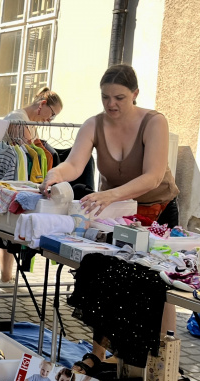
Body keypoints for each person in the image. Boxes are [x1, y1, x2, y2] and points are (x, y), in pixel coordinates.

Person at [41, 64, 180, 355]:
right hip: (118, 212)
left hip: (158, 210)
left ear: (135, 94)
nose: (111, 104)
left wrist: (108, 195)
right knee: (108, 280)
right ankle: (99, 355)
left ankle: (167, 359)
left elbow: (153, 176)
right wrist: (55, 174)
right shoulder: (94, 124)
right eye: (105, 97)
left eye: (119, 97)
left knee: (160, 288)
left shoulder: (154, 122)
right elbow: (75, 165)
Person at [0, 88, 63, 284]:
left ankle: (3, 277)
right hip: (5, 179)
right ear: (42, 105)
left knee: (6, 230)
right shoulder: (18, 118)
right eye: (52, 114)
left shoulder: (29, 121)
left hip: (13, 180)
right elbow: (23, 149)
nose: (50, 120)